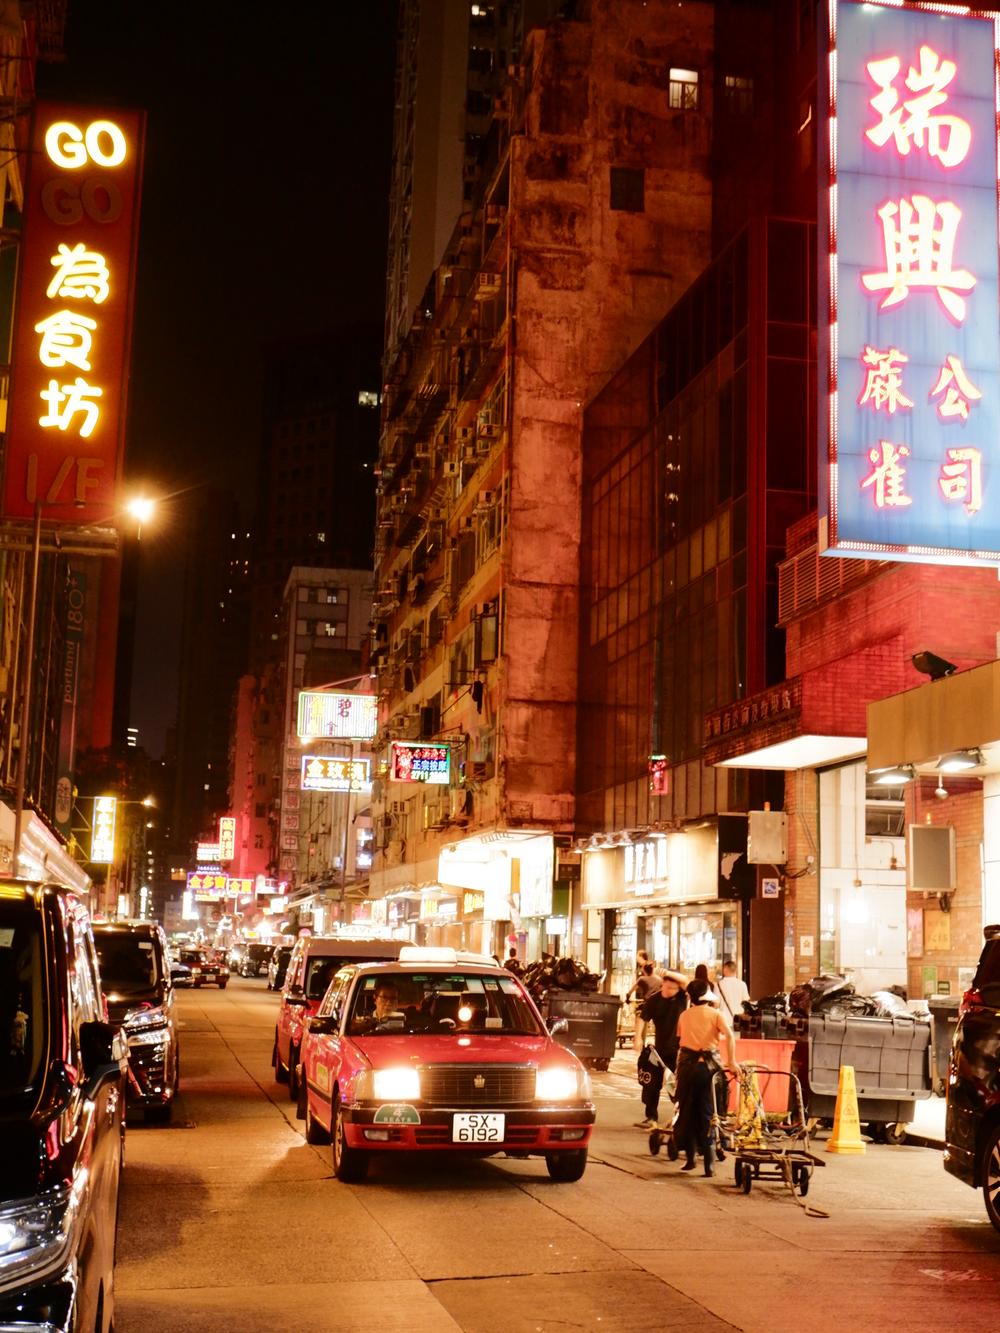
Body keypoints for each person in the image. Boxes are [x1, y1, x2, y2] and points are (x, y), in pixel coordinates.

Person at [673, 978, 739, 1176]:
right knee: (708, 1112)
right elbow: (730, 1036)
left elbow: (681, 1041)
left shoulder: (684, 1016)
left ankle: (690, 1159)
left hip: (687, 1070)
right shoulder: (716, 1014)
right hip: (708, 1070)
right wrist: (732, 1062)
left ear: (690, 997)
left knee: (687, 1112)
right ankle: (709, 1164)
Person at [635, 970, 688, 1129]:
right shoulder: (654, 1000)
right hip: (659, 1050)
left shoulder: (682, 998)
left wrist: (669, 973)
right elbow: (643, 1018)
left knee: (677, 1085)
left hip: (679, 1050)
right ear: (662, 984)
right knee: (652, 1084)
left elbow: (686, 981)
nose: (670, 991)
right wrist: (638, 1037)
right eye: (667, 987)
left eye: (673, 988)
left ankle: (681, 1117)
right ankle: (651, 1117)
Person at [627, 961, 662, 1051]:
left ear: (645, 971)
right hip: (658, 1004)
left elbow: (631, 990)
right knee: (659, 1025)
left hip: (647, 1003)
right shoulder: (659, 979)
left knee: (642, 1022)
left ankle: (641, 1042)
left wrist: (627, 997)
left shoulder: (642, 979)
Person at [717, 959, 751, 1029]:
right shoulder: (742, 984)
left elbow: (716, 1004)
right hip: (739, 1020)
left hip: (724, 1020)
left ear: (725, 970)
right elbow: (746, 1002)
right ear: (735, 970)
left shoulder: (718, 985)